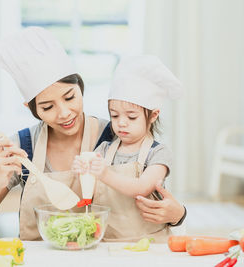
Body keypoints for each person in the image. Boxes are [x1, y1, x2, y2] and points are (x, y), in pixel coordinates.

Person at [0, 27, 186, 241]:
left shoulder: (117, 135)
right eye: (48, 107)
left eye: (70, 97)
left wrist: (177, 215)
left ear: (80, 86)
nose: (64, 113)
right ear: (31, 108)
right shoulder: (21, 147)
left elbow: (151, 193)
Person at [72, 56, 185, 242]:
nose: (121, 123)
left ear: (153, 115)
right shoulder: (105, 149)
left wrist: (104, 174)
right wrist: (83, 173)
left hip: (149, 243)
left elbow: (141, 188)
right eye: (114, 116)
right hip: (107, 241)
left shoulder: (158, 153)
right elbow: (90, 195)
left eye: (131, 117)